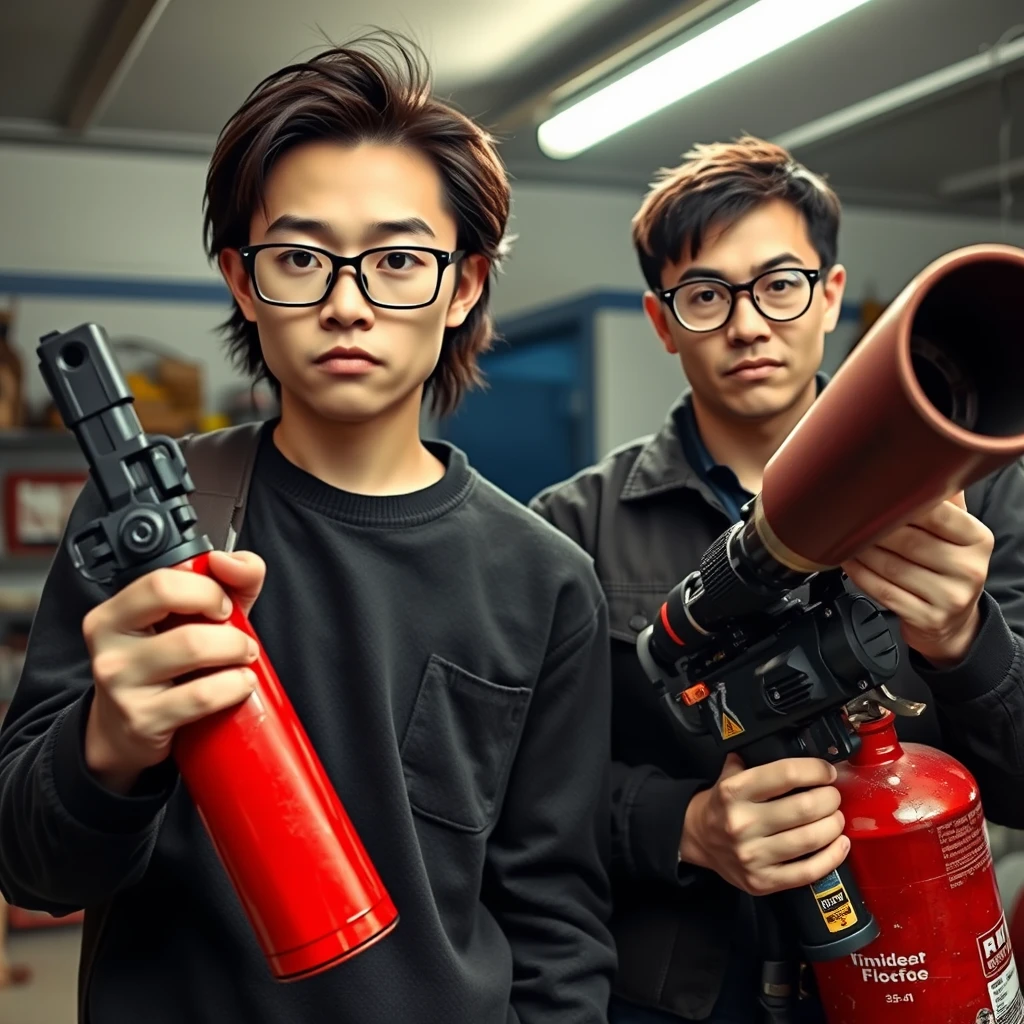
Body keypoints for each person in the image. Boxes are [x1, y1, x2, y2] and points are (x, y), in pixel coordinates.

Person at [0, 33, 617, 1024]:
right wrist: (105, 743)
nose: (345, 303)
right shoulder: (150, 526)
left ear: (463, 286)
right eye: (300, 257)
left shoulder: (543, 578)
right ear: (242, 280)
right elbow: (29, 866)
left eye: (398, 260)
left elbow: (554, 920)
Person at [529, 135, 1024, 1023]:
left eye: (780, 284)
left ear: (830, 295)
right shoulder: (570, 526)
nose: (749, 324)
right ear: (662, 321)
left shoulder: (975, 493)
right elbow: (518, 794)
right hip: (680, 997)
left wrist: (963, 640)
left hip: (924, 972)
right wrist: (680, 826)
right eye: (706, 294)